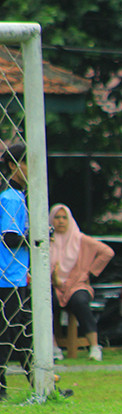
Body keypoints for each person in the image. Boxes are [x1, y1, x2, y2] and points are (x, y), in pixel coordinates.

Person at [49, 204, 115, 361]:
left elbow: (107, 252)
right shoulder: (47, 240)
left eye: (64, 218)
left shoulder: (80, 239)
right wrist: (54, 278)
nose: (61, 221)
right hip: (53, 285)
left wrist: (89, 272)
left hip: (77, 284)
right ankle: (53, 347)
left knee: (80, 302)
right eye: (57, 218)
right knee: (46, 305)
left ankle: (94, 346)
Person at [1, 143, 33, 399]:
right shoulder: (9, 198)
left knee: (25, 335)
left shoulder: (18, 196)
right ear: (13, 165)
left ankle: (41, 384)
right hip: (6, 278)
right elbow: (10, 239)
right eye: (26, 162)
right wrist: (36, 237)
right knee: (8, 334)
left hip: (18, 276)